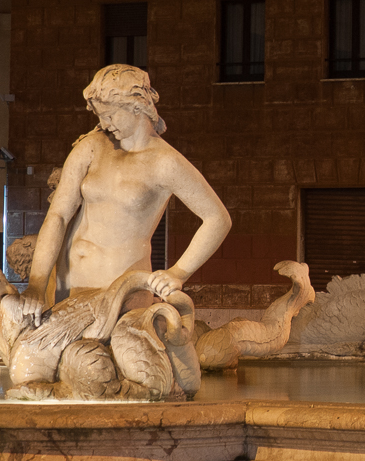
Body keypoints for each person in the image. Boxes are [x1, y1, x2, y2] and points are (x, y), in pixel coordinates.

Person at [25, 64, 232, 306]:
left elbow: (218, 218)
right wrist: (36, 284)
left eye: (110, 115)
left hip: (121, 294)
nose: (104, 123)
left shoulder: (165, 162)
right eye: (100, 116)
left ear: (137, 106)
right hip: (64, 287)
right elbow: (58, 215)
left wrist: (178, 272)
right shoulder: (91, 147)